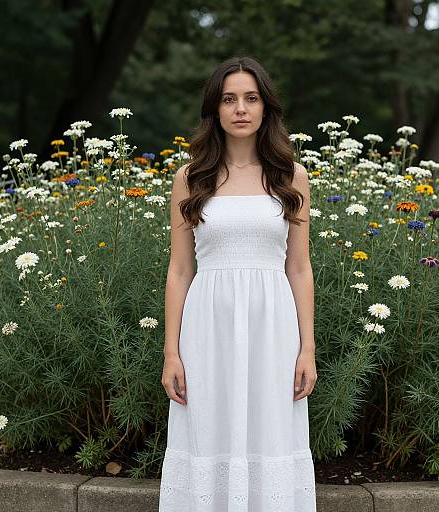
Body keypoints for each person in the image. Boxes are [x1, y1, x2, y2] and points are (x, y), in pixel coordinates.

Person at [159, 55, 318, 511]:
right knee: (209, 429)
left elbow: (299, 269)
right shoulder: (190, 178)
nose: (241, 108)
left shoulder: (291, 177)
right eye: (229, 99)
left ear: (266, 108)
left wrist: (307, 348)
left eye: (251, 98)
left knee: (270, 430)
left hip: (273, 328)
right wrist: (172, 352)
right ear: (216, 109)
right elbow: (180, 270)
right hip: (207, 328)